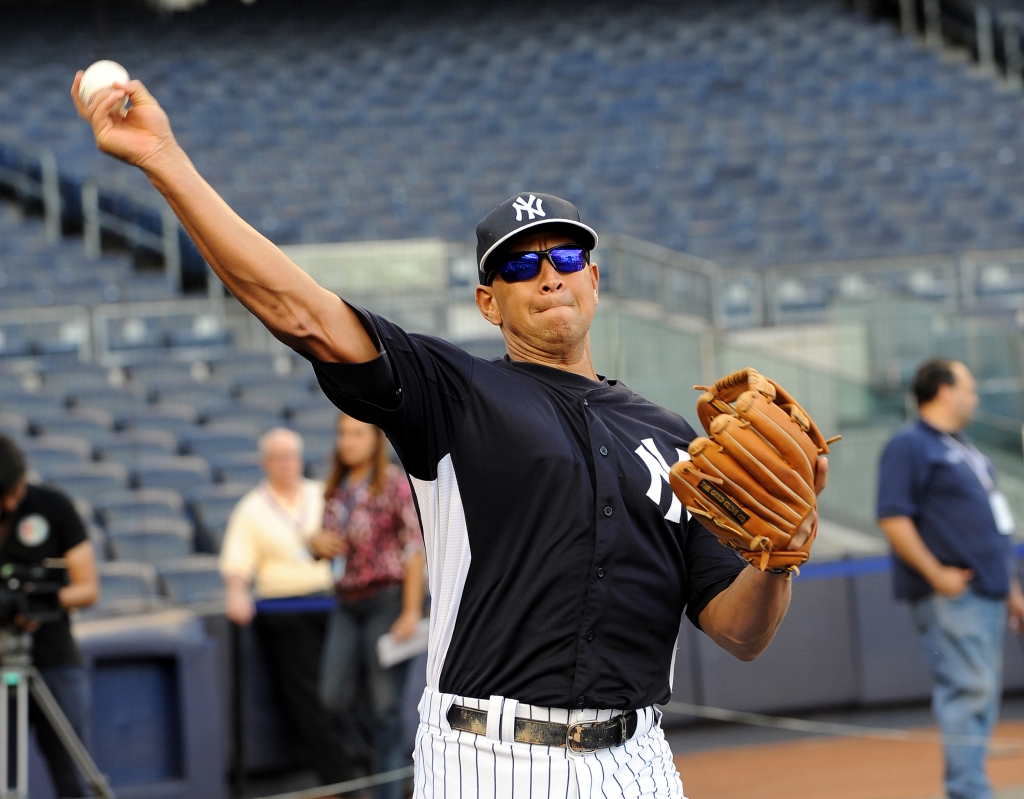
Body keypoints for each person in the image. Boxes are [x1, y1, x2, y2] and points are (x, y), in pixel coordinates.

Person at [74, 75, 825, 799]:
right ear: (488, 302)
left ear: (595, 280)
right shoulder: (452, 392)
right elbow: (297, 310)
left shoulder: (672, 442)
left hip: (640, 760)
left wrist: (779, 558)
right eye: (520, 266)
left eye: (565, 258)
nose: (548, 276)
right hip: (490, 759)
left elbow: (740, 632)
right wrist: (163, 161)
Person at [877, 359, 1024, 799]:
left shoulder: (966, 449)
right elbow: (893, 517)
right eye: (969, 388)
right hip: (954, 595)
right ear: (943, 391)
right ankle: (968, 791)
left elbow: (993, 529)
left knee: (980, 694)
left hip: (988, 593)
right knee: (969, 691)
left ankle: (970, 786)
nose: (975, 397)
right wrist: (937, 573)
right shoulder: (910, 444)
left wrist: (1012, 591)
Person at [219, 427, 351, 787]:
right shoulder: (251, 508)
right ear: (265, 463)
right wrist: (236, 591)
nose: (285, 464)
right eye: (277, 457)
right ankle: (341, 781)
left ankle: (361, 772)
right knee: (311, 697)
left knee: (348, 691)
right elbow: (237, 562)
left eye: (290, 456)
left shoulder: (321, 493)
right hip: (285, 610)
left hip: (334, 601)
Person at [310, 414, 425, 799]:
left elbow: (413, 549)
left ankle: (390, 790)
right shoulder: (336, 488)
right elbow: (328, 544)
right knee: (331, 698)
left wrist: (410, 610)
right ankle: (370, 772)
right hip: (346, 601)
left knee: (385, 708)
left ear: (375, 440)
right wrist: (316, 545)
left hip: (387, 601)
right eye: (342, 433)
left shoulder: (393, 484)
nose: (348, 441)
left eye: (357, 434)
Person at [0, 435, 99, 798]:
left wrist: (39, 602)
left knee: (71, 774)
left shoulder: (53, 507)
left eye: (13, 493)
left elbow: (88, 588)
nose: (9, 503)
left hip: (54, 660)